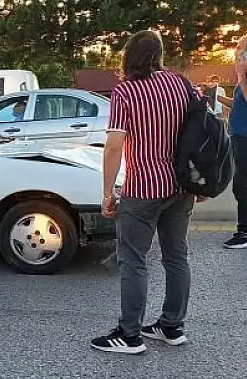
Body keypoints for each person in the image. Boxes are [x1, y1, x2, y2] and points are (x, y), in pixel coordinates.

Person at [91, 30, 202, 354]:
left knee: (133, 260)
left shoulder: (126, 91)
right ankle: (172, 326)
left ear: (128, 56)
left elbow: (114, 146)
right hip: (180, 185)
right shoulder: (180, 84)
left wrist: (108, 192)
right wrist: (201, 180)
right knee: (176, 257)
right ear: (159, 54)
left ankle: (130, 335)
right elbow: (200, 130)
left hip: (143, 188)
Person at [216, 35, 247, 250]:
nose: (237, 52)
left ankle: (244, 232)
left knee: (242, 185)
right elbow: (238, 104)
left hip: (245, 136)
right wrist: (216, 97)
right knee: (241, 185)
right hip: (239, 135)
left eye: (241, 48)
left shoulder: (244, 76)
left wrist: (241, 76)